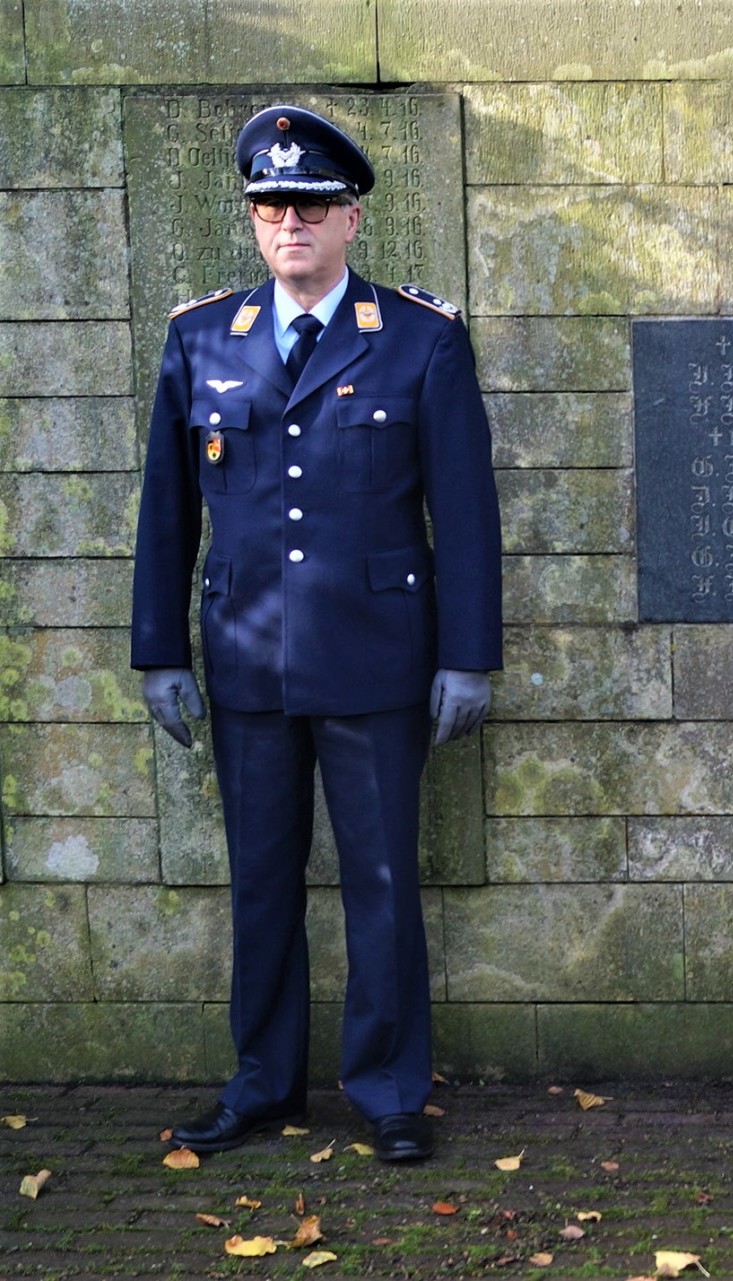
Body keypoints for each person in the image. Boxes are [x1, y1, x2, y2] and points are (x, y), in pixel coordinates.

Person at [132, 105, 502, 1161]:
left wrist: (468, 655)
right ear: (253, 221)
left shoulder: (422, 339)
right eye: (269, 206)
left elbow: (465, 512)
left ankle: (388, 1093)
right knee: (260, 884)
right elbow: (167, 508)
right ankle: (263, 1084)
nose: (288, 221)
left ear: (352, 219)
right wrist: (158, 650)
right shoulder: (202, 338)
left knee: (381, 881)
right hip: (246, 661)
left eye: (311, 205)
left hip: (379, 658)